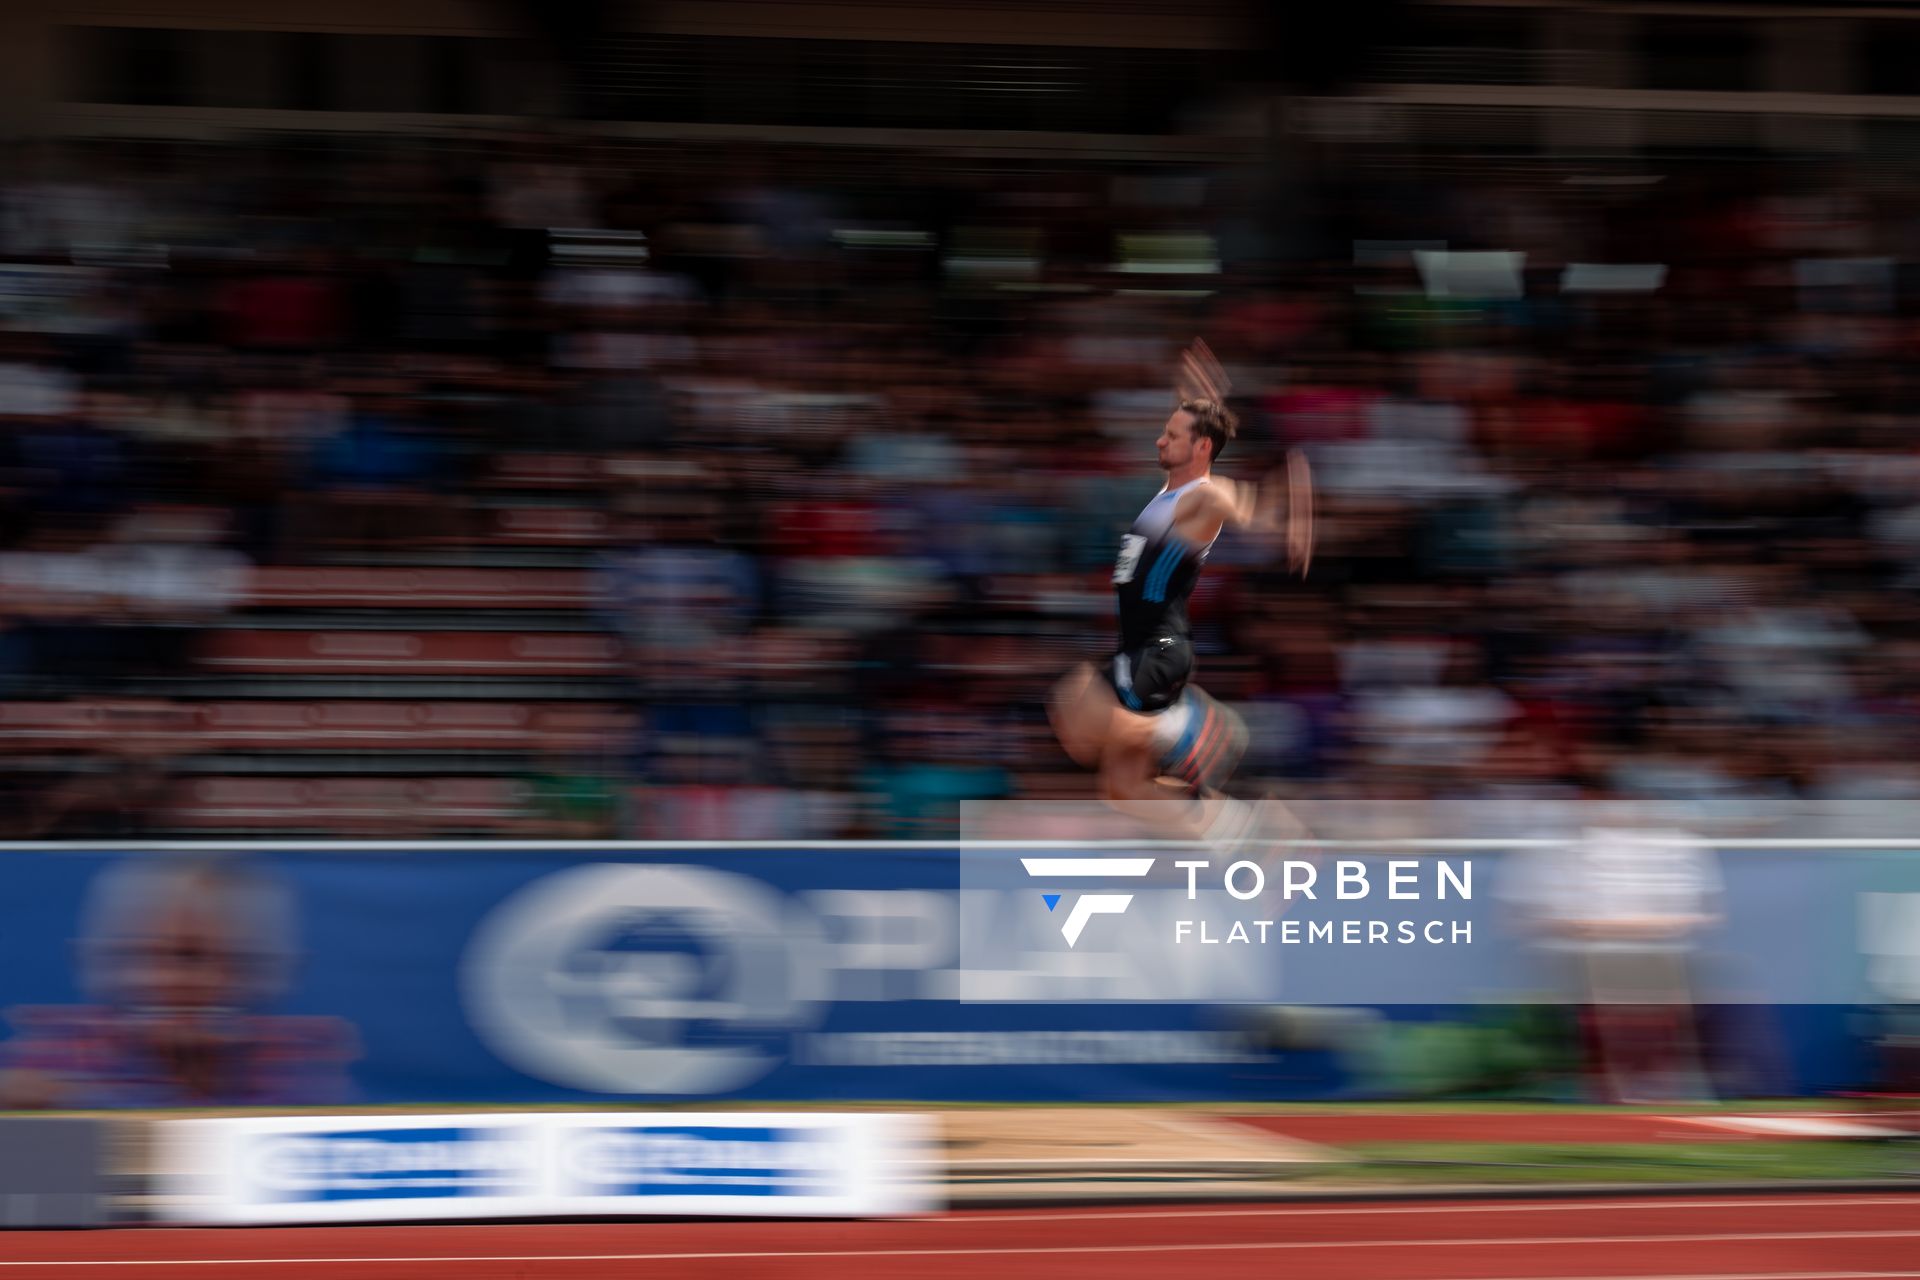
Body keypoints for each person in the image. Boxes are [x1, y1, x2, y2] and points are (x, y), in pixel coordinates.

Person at [1049, 341, 1312, 852]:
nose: (1158, 439)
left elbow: (1250, 509)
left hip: (1159, 652)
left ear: (1200, 450)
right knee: (1122, 789)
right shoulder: (1172, 496)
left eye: (1170, 435)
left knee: (1075, 707)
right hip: (1143, 649)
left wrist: (1286, 514)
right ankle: (1250, 833)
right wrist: (1197, 402)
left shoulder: (1206, 496)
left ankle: (1197, 728)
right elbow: (1198, 439)